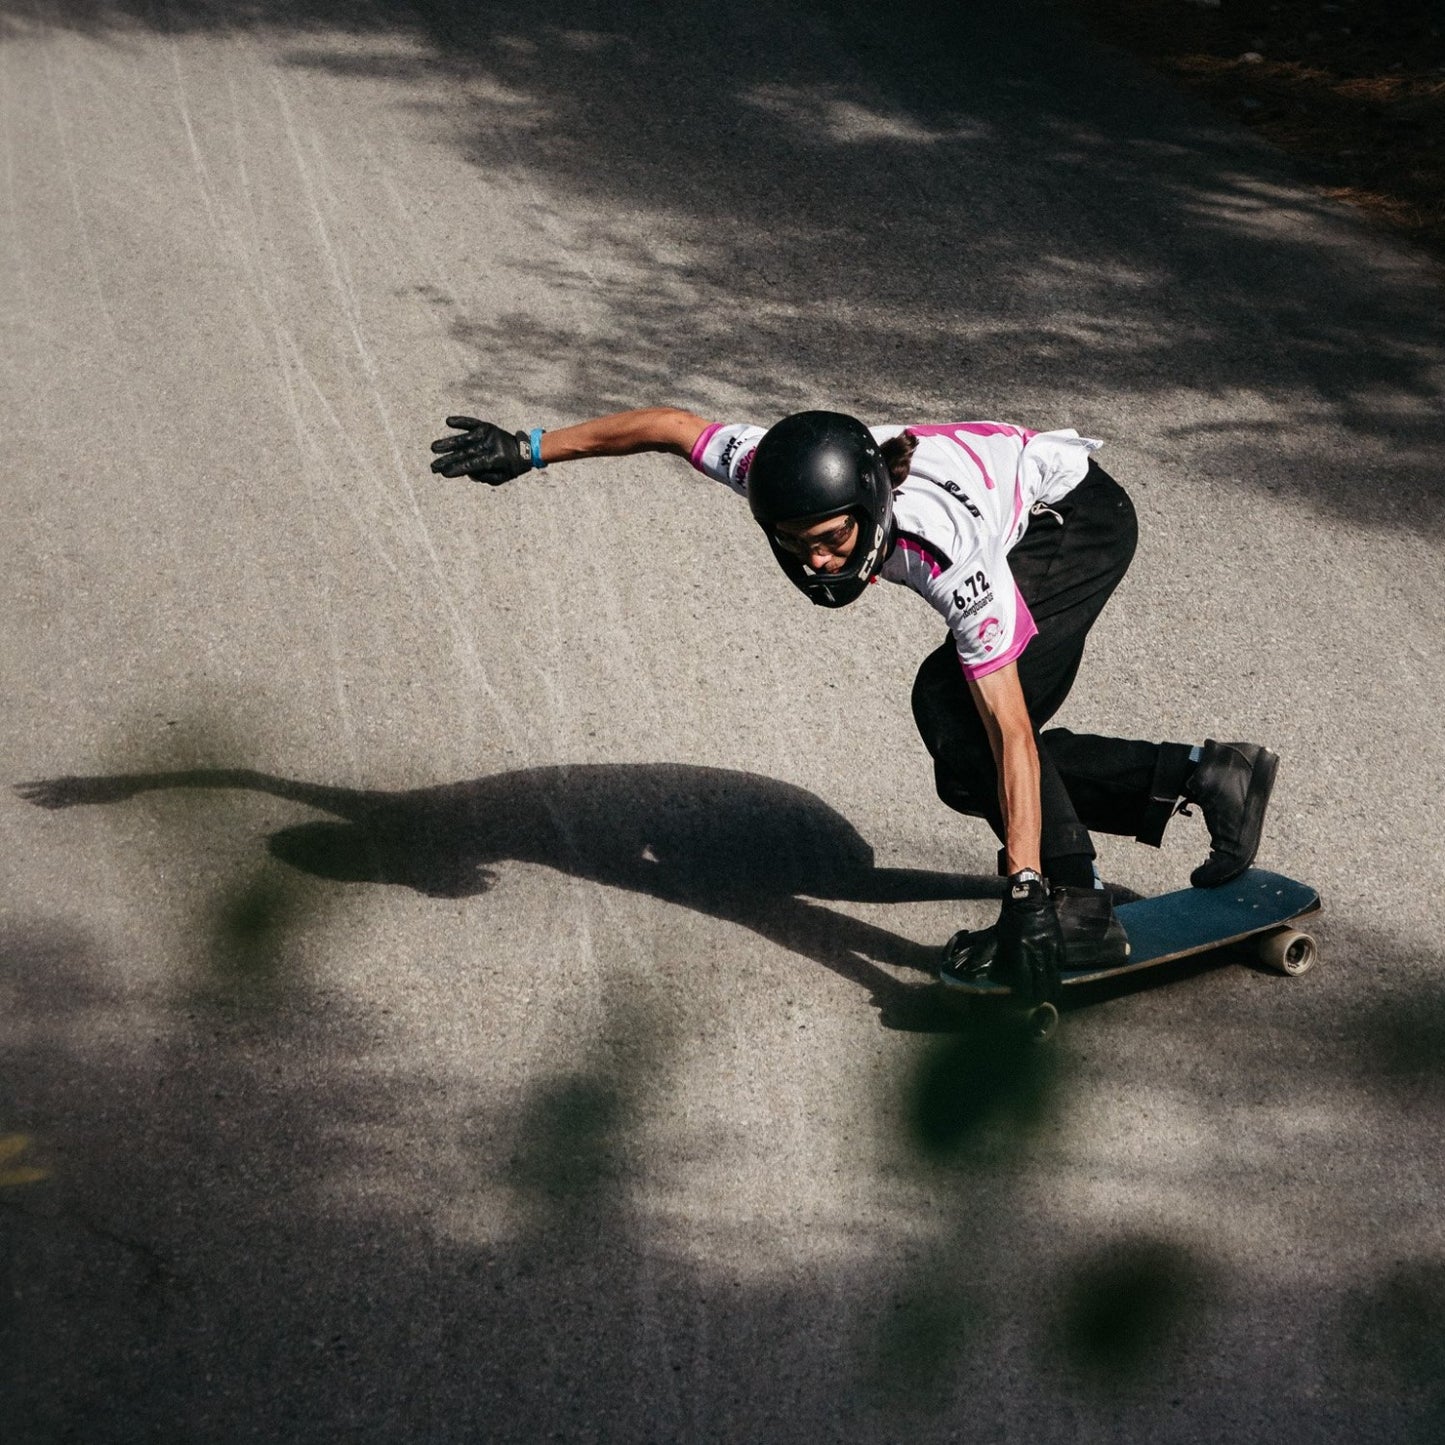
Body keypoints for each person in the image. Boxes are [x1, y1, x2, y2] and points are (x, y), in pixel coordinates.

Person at [428, 409, 1278, 1009]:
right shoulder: (776, 468)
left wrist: (1024, 890)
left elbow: (1013, 732)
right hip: (1025, 506)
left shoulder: (946, 554)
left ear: (872, 507)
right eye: (797, 547)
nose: (820, 561)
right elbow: (667, 426)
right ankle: (1205, 776)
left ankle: (1077, 902)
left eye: (834, 540)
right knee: (959, 759)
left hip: (1071, 524)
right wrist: (532, 447)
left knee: (966, 722)